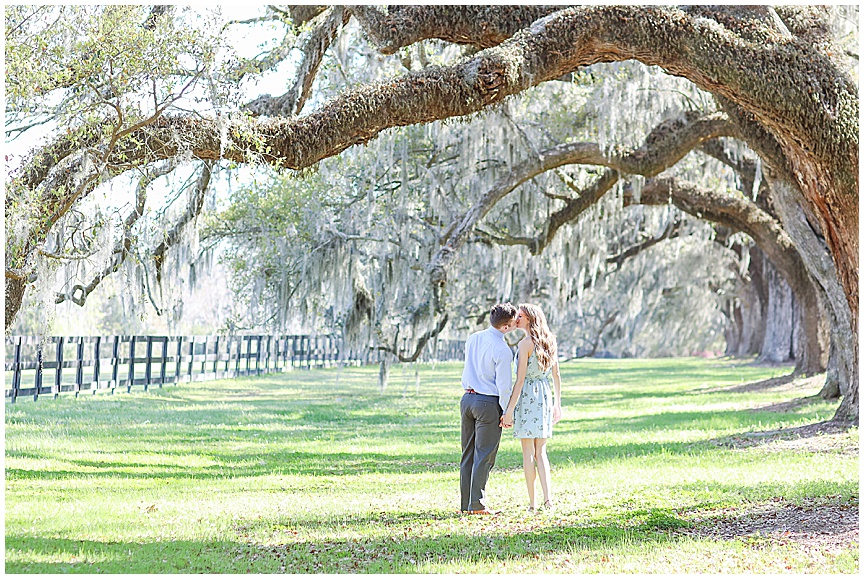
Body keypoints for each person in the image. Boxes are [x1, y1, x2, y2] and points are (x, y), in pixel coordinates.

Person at [502, 303, 562, 513]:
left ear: (529, 318)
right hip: (544, 396)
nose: (516, 319)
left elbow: (519, 381)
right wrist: (557, 404)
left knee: (528, 452)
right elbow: (556, 376)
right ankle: (548, 500)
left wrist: (509, 410)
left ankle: (533, 503)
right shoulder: (549, 341)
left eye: (520, 316)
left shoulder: (525, 344)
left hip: (528, 396)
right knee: (541, 452)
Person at [460, 302, 518, 515]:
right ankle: (477, 505)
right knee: (484, 455)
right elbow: (504, 386)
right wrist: (506, 412)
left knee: (467, 454)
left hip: (467, 399)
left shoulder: (473, 338)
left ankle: (466, 503)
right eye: (513, 323)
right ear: (506, 327)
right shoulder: (502, 350)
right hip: (487, 403)